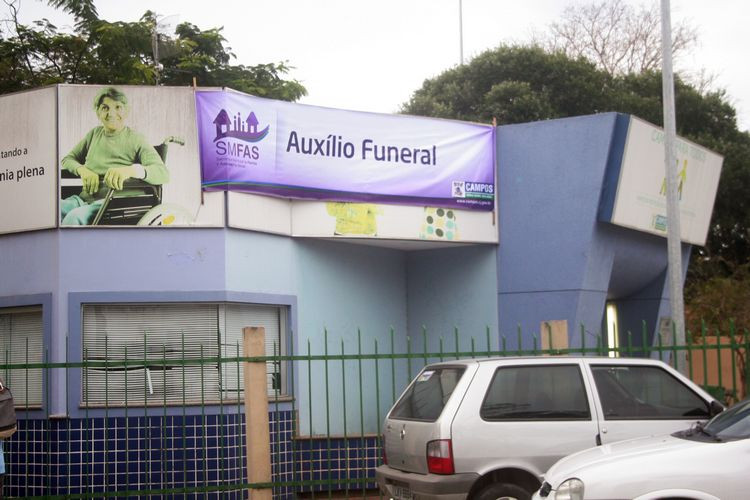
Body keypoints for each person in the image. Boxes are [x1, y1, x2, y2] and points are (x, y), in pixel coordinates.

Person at [60, 87, 169, 225]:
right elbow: (67, 159)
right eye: (105, 108)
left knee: (73, 218)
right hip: (83, 200)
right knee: (50, 211)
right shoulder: (93, 135)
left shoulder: (136, 139)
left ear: (126, 111)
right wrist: (82, 170)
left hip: (112, 203)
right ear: (98, 112)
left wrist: (131, 170)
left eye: (118, 107)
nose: (111, 113)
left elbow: (163, 173)